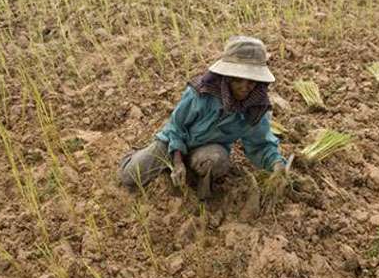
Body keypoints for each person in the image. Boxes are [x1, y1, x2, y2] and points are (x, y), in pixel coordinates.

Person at [118, 36, 287, 199]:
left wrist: (277, 165)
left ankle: (198, 185)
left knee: (217, 160)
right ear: (227, 78)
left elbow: (260, 144)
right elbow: (176, 128)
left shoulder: (255, 107)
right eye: (238, 80)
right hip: (173, 142)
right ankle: (151, 158)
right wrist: (177, 161)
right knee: (130, 177)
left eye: (251, 82)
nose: (245, 87)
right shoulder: (201, 93)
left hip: (207, 150)